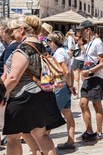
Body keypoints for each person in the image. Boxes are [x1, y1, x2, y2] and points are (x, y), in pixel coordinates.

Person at [2, 16, 66, 155]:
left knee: (13, 137)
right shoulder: (41, 46)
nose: (12, 34)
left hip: (22, 96)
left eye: (13, 30)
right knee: (41, 135)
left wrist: (1, 94)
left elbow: (13, 77)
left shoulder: (23, 49)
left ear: (21, 30)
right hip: (42, 94)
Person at [77, 20, 103, 141]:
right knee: (83, 103)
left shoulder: (97, 43)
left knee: (96, 104)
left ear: (88, 30)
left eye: (82, 30)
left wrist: (89, 71)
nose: (80, 33)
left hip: (95, 77)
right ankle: (89, 130)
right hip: (88, 78)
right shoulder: (89, 43)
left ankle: (99, 131)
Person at [47, 31, 77, 150]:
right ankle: (70, 140)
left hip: (61, 86)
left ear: (53, 42)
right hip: (66, 86)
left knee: (51, 115)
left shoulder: (58, 53)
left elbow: (66, 71)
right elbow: (69, 71)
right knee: (68, 113)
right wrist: (71, 86)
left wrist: (69, 86)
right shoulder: (63, 51)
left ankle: (43, 145)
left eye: (49, 41)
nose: (48, 43)